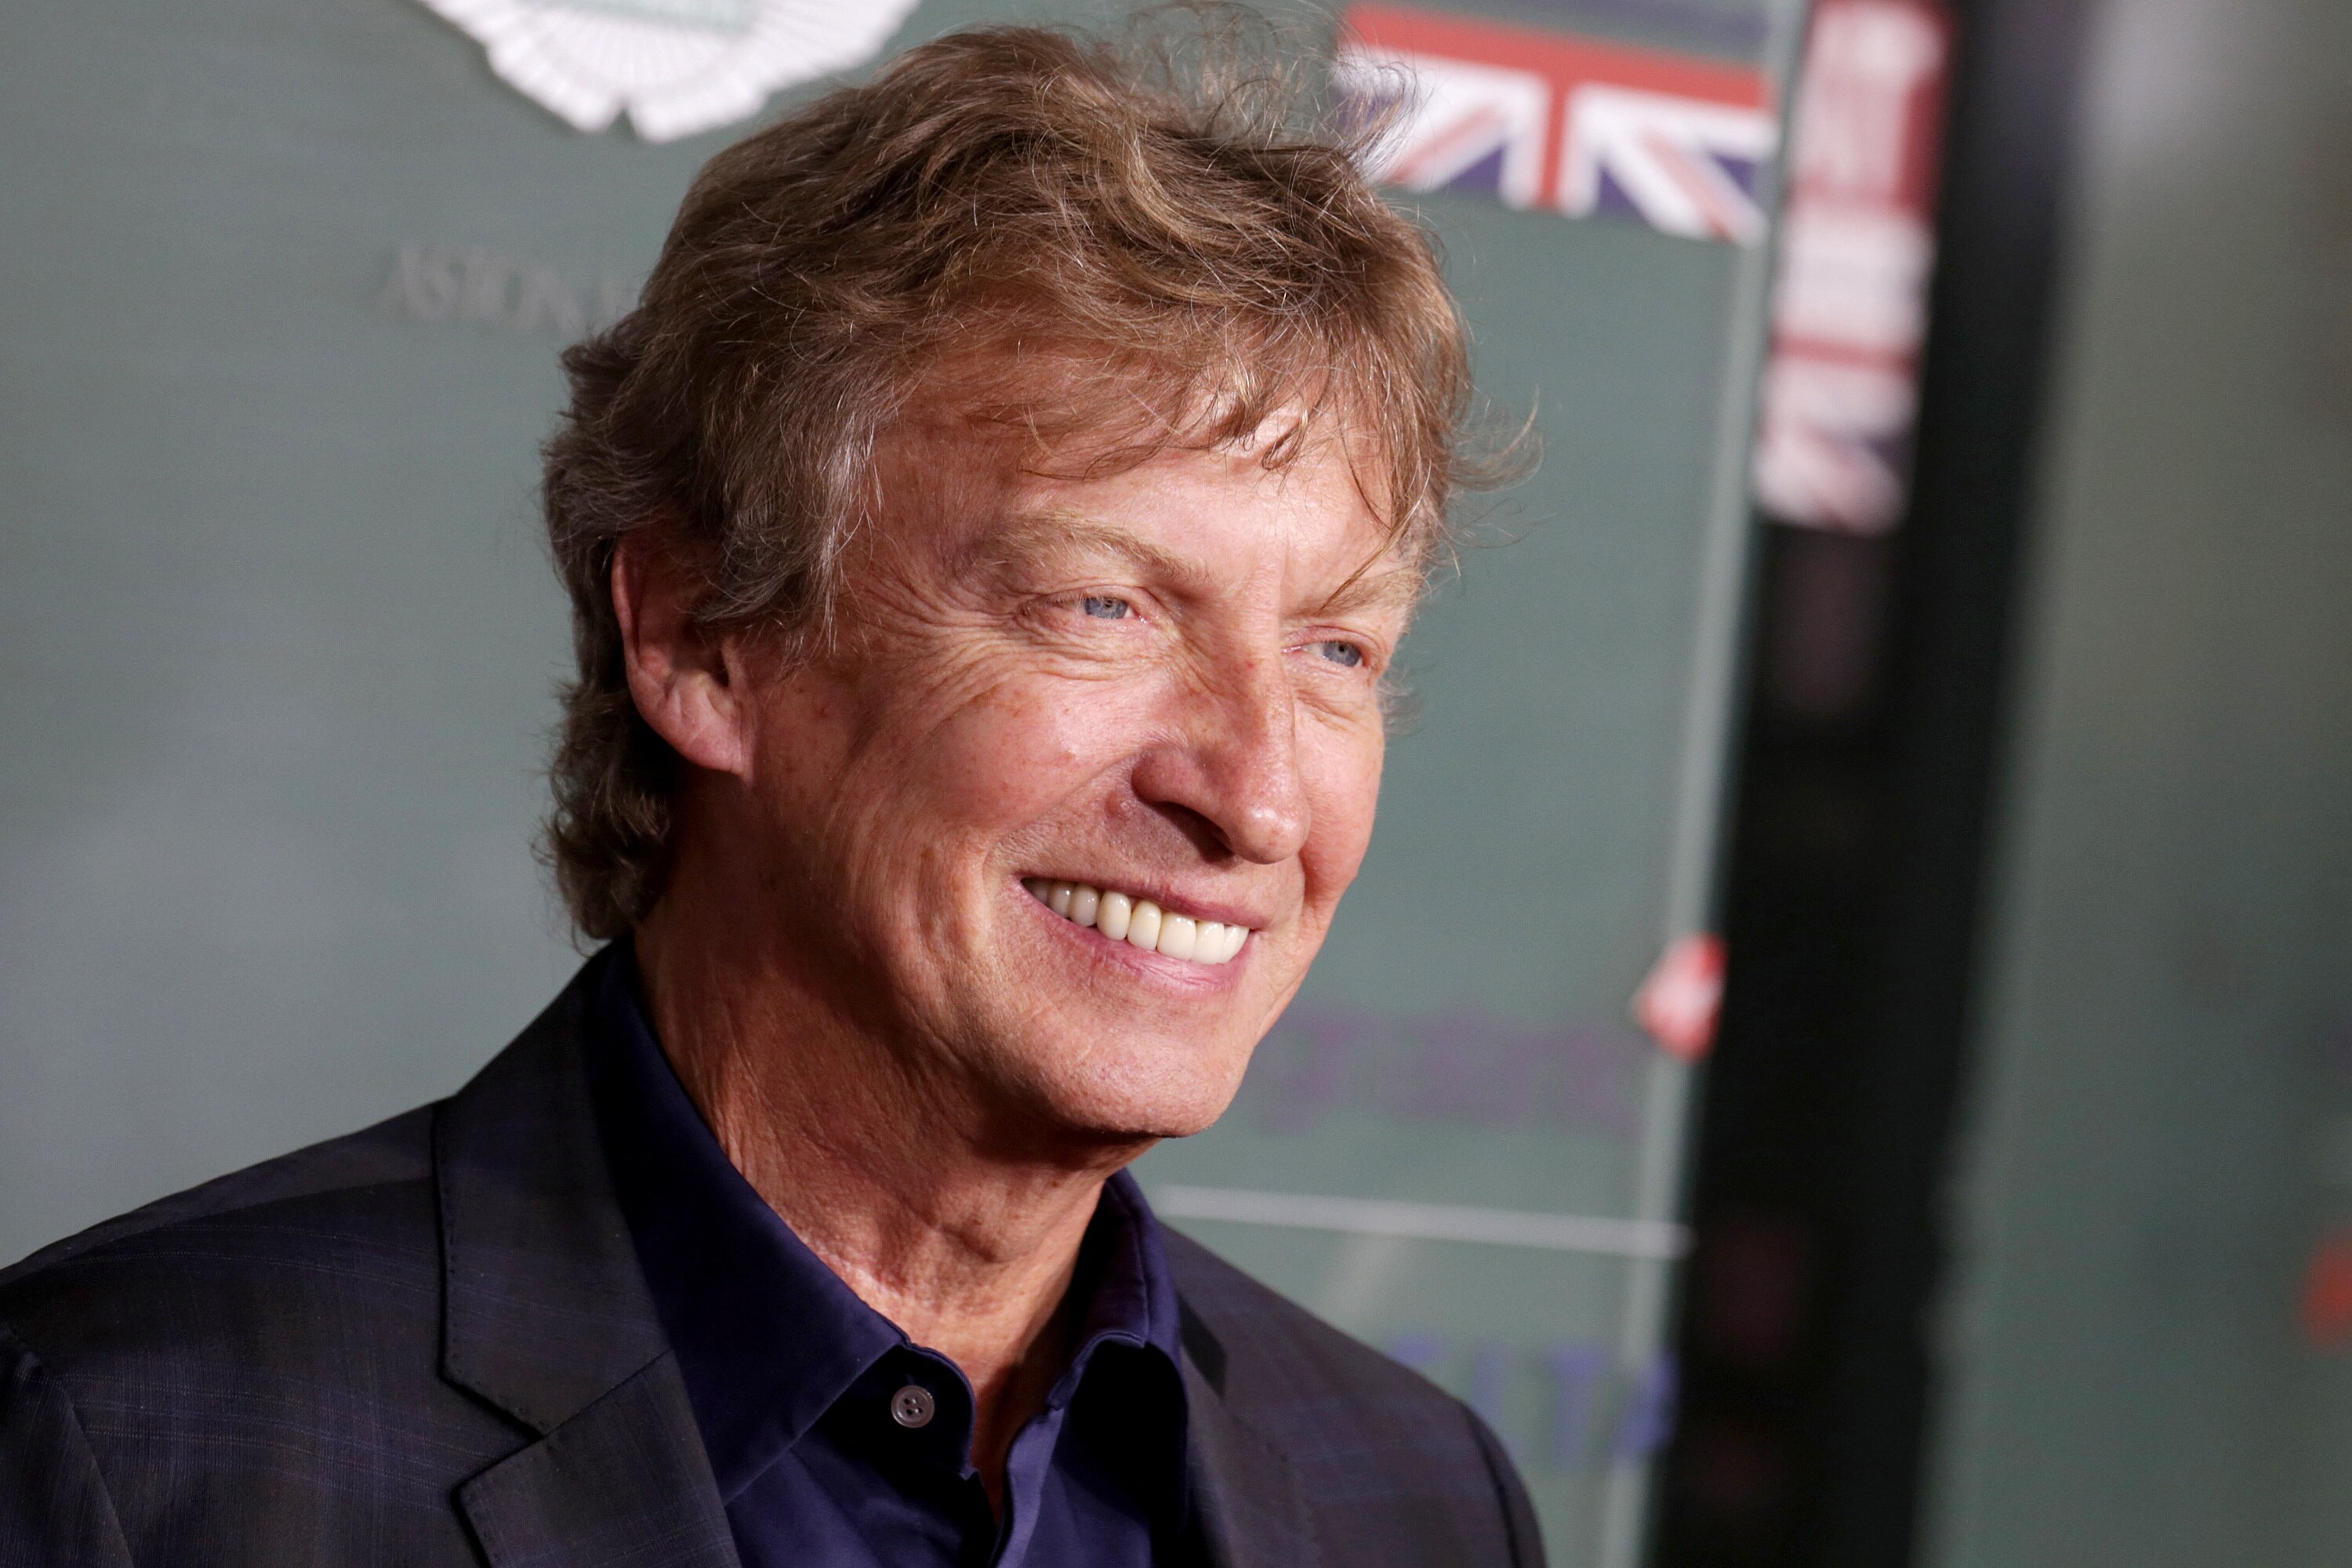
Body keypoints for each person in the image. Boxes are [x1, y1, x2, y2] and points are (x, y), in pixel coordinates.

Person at [0, 18, 1541, 1567]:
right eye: (1102, 607)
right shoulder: (135, 1451)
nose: (1262, 798)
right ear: (700, 637)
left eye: (1338, 648)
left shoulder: (1417, 1501)